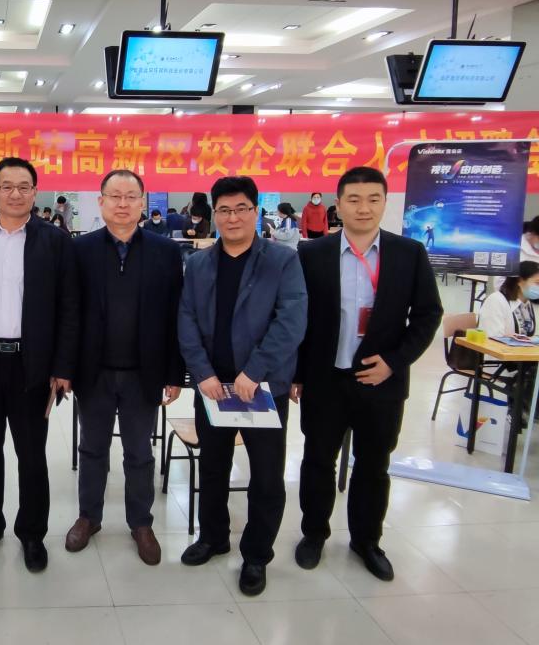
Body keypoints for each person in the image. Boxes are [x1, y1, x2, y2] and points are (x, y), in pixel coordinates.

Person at [294, 166, 442, 583]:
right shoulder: (312, 254)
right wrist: (297, 373)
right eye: (354, 199)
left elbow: (428, 314)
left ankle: (366, 541)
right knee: (317, 462)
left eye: (373, 199)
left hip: (382, 382)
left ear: (384, 203)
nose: (364, 208)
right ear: (337, 205)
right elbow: (298, 318)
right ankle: (314, 534)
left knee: (374, 466)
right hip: (326, 380)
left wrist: (395, 362)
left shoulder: (409, 253)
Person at [177, 175, 307, 597]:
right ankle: (213, 537)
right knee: (212, 467)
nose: (232, 218)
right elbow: (186, 320)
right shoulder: (198, 264)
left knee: (266, 476)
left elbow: (291, 322)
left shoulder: (282, 261)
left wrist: (255, 371)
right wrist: (203, 373)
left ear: (256, 212)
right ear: (213, 214)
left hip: (262, 390)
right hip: (214, 389)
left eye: (241, 209)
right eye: (224, 210)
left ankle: (256, 554)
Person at [0, 157, 78, 572]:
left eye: (24, 186)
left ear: (35, 192)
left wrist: (62, 367)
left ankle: (32, 533)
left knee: (31, 454)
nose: (15, 194)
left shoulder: (54, 240)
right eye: (6, 186)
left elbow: (69, 307)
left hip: (33, 364)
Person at [66, 170, 183, 565]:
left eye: (131, 196)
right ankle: (89, 517)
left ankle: (141, 523)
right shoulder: (80, 250)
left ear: (142, 202)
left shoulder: (165, 252)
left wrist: (174, 373)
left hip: (143, 374)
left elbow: (175, 316)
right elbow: (69, 314)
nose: (122, 203)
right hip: (93, 373)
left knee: (139, 453)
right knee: (92, 449)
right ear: (101, 202)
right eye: (114, 196)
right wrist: (65, 369)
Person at [477, 261, 539, 338]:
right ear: (520, 280)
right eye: (537, 282)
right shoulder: (496, 300)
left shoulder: (529, 304)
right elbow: (492, 337)